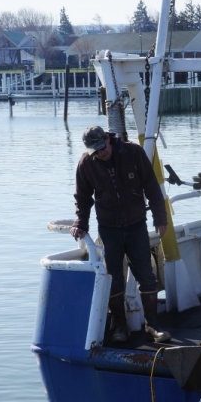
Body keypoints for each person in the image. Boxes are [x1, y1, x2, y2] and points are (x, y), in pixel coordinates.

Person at [70, 126, 171, 344]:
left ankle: (152, 326)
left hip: (136, 226)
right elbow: (83, 198)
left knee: (146, 276)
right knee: (114, 280)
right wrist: (81, 223)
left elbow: (152, 188)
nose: (100, 153)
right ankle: (120, 326)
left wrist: (160, 219)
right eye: (95, 151)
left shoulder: (133, 153)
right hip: (108, 228)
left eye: (102, 148)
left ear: (108, 138)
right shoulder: (86, 164)